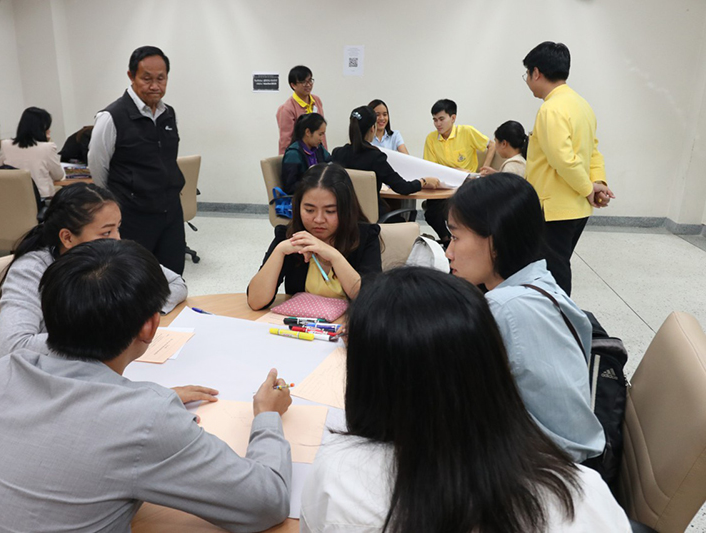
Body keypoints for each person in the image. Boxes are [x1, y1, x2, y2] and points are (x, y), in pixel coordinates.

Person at [0, 239, 293, 533]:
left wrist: (153, 401)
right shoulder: (145, 419)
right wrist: (267, 417)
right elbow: (266, 503)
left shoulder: (4, 370)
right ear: (150, 325)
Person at [300, 267, 630, 532]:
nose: (449, 250)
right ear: (492, 365)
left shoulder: (338, 476)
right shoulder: (584, 494)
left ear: (367, 379)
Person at [445, 173, 606, 463]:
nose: (448, 252)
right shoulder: (541, 282)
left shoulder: (503, 307)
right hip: (568, 454)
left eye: (455, 237)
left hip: (545, 465)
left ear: (495, 241)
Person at [0, 182, 187, 386]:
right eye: (106, 232)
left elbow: (176, 284)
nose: (117, 239)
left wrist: (129, 317)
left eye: (118, 228)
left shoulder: (112, 259)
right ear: (67, 238)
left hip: (78, 374)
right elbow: (13, 346)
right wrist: (109, 334)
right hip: (15, 384)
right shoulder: (31, 270)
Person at [523, 41, 615, 295]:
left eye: (527, 74)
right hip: (577, 207)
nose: (527, 80)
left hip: (555, 207)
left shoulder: (551, 109)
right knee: (555, 263)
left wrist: (588, 188)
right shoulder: (582, 105)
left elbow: (562, 159)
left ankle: (560, 316)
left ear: (536, 72)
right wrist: (598, 184)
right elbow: (593, 151)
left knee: (553, 270)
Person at [89, 45, 187, 275]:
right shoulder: (111, 117)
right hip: (133, 215)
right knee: (135, 277)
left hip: (170, 211)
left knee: (173, 275)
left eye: (161, 78)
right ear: (131, 76)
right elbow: (98, 169)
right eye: (147, 78)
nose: (155, 86)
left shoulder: (168, 114)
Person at [247, 164, 381, 310]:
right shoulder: (289, 236)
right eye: (309, 210)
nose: (318, 219)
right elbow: (256, 301)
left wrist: (334, 257)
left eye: (330, 211)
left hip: (349, 323)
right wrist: (279, 251)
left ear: (346, 210)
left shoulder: (365, 236)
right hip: (299, 322)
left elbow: (371, 301)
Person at [331, 106, 439, 220]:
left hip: (344, 218)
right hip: (372, 219)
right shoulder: (375, 157)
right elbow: (403, 188)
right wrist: (424, 181)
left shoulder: (337, 153)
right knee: (401, 219)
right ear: (372, 128)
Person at [422, 99, 494, 243]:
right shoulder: (431, 138)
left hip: (467, 184)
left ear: (453, 118)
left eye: (441, 119)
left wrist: (484, 169)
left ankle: (457, 241)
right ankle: (448, 241)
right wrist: (455, 170)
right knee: (431, 213)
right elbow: (430, 167)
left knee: (452, 211)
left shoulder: (466, 132)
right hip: (443, 185)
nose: (438, 124)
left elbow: (491, 145)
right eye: (435, 120)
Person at [0, 106, 65, 198]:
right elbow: (58, 175)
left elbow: (1, 170)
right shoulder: (47, 147)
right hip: (41, 198)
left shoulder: (5, 144)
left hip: (12, 197)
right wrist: (47, 141)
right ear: (42, 128)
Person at [276, 65, 326, 155]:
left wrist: (325, 153)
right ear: (293, 85)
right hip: (300, 155)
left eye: (310, 80)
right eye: (303, 82)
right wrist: (286, 158)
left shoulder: (316, 100)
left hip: (318, 152)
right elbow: (286, 140)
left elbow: (321, 132)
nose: (308, 85)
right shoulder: (287, 108)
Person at [280, 113, 331, 194]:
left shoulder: (318, 148)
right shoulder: (293, 154)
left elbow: (330, 163)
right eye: (320, 134)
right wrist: (313, 182)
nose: (322, 138)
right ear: (308, 132)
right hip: (303, 196)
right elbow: (290, 187)